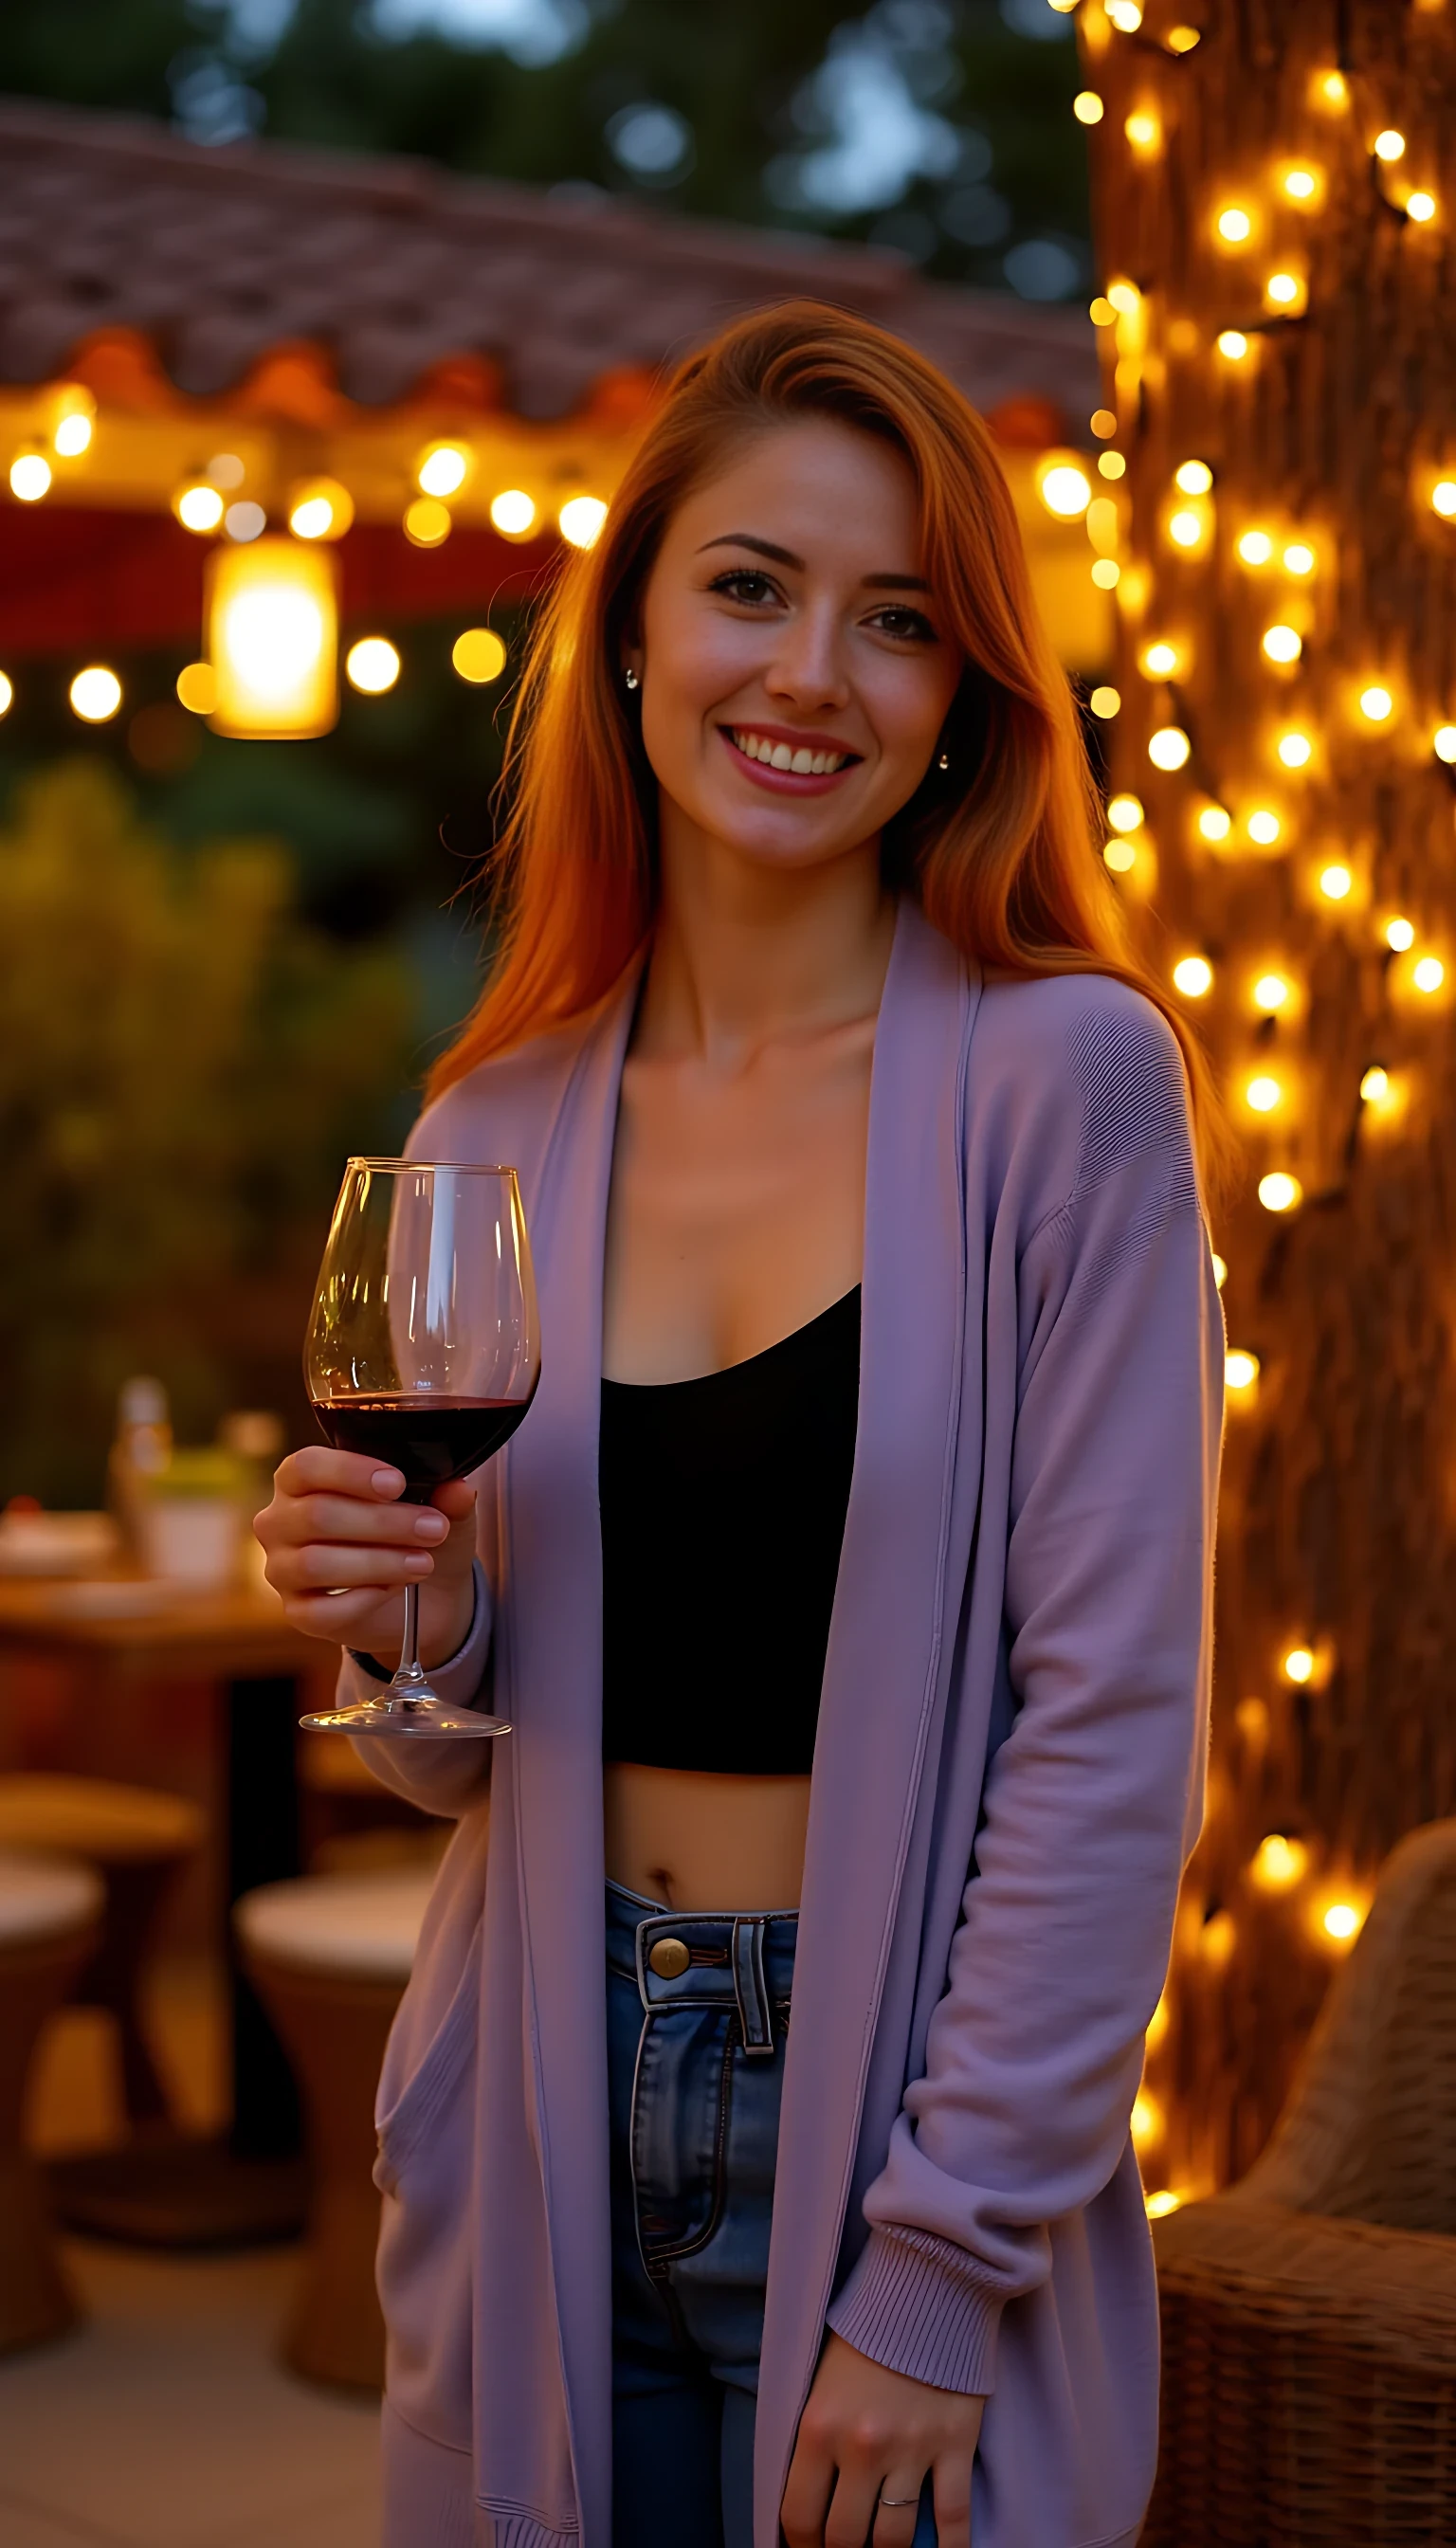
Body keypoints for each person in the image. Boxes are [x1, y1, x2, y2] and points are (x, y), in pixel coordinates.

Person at [256, 302, 1224, 2548]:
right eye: (753, 588)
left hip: (889, 2110)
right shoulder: (492, 1115)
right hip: (536, 2077)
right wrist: (405, 1617)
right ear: (632, 629)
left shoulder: (1066, 1088)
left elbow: (1110, 1730)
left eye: (897, 623)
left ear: (965, 697)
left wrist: (940, 2268)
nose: (811, 676)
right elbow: (442, 1742)